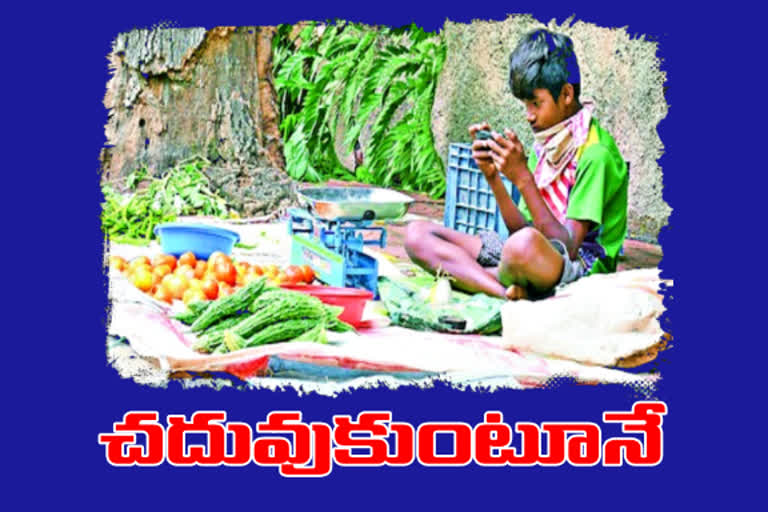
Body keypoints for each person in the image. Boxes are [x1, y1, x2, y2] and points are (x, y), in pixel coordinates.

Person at [405, 29, 628, 300]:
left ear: (567, 94)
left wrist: (523, 178)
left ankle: (470, 275)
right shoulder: (548, 143)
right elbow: (521, 228)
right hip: (529, 252)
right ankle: (504, 291)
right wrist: (494, 179)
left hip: (578, 268)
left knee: (519, 249)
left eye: (536, 103)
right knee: (417, 235)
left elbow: (567, 248)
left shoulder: (596, 155)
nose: (529, 116)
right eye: (525, 104)